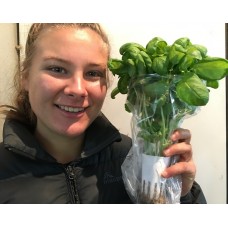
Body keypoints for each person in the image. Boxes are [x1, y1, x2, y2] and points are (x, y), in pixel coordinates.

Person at [0, 23, 206, 203]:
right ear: (25, 76)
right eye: (57, 69)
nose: (78, 89)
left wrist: (182, 195)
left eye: (92, 73)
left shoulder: (132, 157)